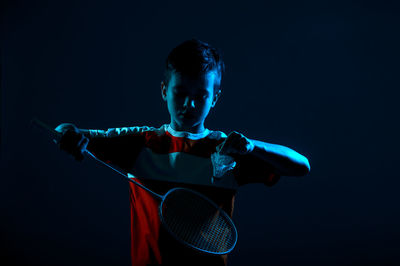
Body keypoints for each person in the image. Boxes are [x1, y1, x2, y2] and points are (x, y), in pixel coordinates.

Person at [55, 39, 310, 266]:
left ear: (215, 99)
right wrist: (66, 133)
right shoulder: (140, 143)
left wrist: (253, 147)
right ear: (165, 91)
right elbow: (67, 130)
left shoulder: (228, 149)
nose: (190, 104)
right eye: (180, 93)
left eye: (201, 95)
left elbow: (301, 165)